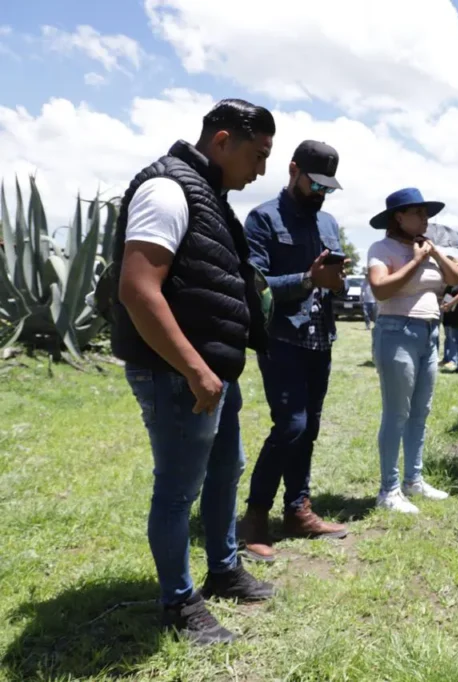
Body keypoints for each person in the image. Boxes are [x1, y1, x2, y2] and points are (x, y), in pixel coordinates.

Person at [109, 99, 277, 645]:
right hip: (178, 373)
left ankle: (223, 569)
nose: (262, 170)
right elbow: (138, 289)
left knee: (227, 468)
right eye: (257, 155)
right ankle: (178, 603)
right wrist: (196, 370)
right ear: (222, 140)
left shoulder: (208, 196)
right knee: (179, 489)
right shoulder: (169, 189)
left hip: (211, 374)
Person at [237, 140, 350, 564]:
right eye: (315, 184)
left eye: (328, 188)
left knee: (311, 427)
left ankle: (298, 510)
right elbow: (256, 285)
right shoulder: (263, 218)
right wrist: (308, 278)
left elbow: (330, 278)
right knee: (291, 425)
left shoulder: (330, 223)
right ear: (293, 170)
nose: (321, 193)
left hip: (320, 338)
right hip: (282, 337)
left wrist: (334, 280)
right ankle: (255, 517)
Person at [366, 188, 458, 514]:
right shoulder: (382, 248)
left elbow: (456, 278)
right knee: (397, 413)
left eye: (427, 214)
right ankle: (389, 489)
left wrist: (434, 255)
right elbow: (381, 289)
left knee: (419, 413)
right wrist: (418, 260)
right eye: (419, 213)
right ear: (399, 217)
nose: (426, 219)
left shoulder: (427, 247)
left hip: (428, 334)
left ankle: (414, 480)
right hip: (396, 331)